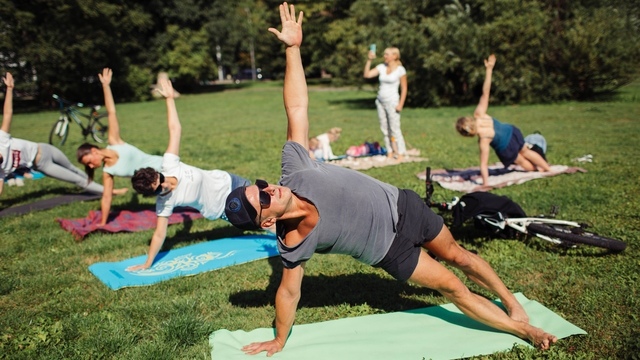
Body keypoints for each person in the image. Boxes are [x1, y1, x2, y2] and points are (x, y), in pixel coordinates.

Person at [224, 3, 557, 356]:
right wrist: (278, 339)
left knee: (459, 256)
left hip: (404, 206)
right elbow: (288, 292)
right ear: (268, 220)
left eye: (259, 185)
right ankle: (525, 330)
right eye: (261, 199)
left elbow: (296, 108)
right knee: (452, 287)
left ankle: (510, 302)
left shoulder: (295, 167)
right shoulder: (292, 242)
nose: (266, 189)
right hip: (391, 252)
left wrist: (293, 49)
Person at [126, 76, 251, 271]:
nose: (164, 185)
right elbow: (160, 234)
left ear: (158, 173)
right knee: (265, 221)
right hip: (223, 208)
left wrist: (169, 99)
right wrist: (147, 263)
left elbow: (175, 129)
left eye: (161, 180)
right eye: (158, 189)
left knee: (271, 199)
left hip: (230, 181)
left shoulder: (169, 163)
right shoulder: (164, 203)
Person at [0, 72, 126, 198]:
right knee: (77, 180)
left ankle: (98, 186)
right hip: (42, 164)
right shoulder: (1, 170)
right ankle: (112, 192)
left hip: (44, 148)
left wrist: (10, 89)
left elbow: (7, 114)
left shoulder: (1, 140)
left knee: (73, 169)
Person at [76, 68, 162, 226]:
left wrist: (106, 86)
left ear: (94, 151)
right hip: (155, 181)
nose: (90, 165)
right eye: (87, 165)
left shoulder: (114, 141)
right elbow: (107, 197)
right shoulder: (108, 172)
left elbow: (111, 112)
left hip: (163, 164)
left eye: (89, 161)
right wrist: (103, 223)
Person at [455, 55, 550, 187]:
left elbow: (484, 164)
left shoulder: (483, 138)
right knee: (526, 151)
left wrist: (485, 183)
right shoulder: (479, 114)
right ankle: (546, 167)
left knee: (522, 161)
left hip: (506, 148)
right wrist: (489, 70)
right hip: (513, 131)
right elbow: (485, 92)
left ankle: (535, 169)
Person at [363, 43, 408, 161]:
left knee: (394, 129)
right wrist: (369, 60)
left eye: (387, 54)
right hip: (380, 102)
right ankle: (389, 150)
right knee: (384, 128)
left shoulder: (400, 70)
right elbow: (367, 74)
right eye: (385, 54)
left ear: (395, 56)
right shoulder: (381, 67)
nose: (385, 56)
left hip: (393, 102)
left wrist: (400, 104)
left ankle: (400, 152)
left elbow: (404, 88)